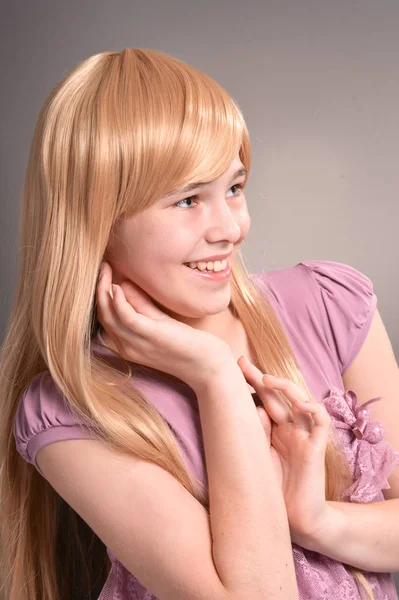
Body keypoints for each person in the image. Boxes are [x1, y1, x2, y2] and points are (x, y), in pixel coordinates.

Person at [0, 47, 398, 600]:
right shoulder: (72, 410)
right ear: (98, 222)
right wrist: (213, 377)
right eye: (188, 200)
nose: (230, 229)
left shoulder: (327, 305)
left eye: (234, 188)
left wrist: (316, 522)